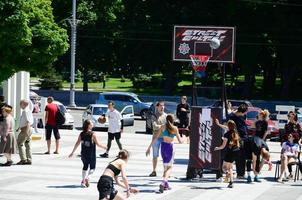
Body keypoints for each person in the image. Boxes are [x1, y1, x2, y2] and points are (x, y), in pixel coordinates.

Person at [146, 115, 183, 192]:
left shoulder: (162, 127)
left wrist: (149, 148)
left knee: (165, 167)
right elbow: (180, 141)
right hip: (170, 147)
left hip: (163, 147)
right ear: (173, 120)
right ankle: (163, 183)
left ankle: (166, 185)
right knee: (169, 168)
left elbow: (155, 137)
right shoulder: (175, 128)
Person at [69, 119, 107, 187]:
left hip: (83, 154)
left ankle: (83, 181)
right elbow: (98, 144)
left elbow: (77, 143)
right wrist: (104, 147)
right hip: (91, 154)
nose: (92, 124)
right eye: (91, 123)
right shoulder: (93, 134)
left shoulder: (81, 133)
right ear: (88, 125)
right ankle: (88, 178)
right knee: (92, 168)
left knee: (85, 166)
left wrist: (72, 152)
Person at [214, 120, 241, 188]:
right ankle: (231, 182)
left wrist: (217, 148)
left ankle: (228, 174)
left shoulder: (226, 135)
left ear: (228, 126)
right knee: (230, 167)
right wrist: (219, 124)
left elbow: (223, 146)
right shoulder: (235, 132)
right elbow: (225, 127)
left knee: (224, 168)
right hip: (236, 151)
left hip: (229, 152)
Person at [228, 103, 248, 178]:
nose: (245, 114)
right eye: (244, 112)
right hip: (236, 137)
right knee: (237, 155)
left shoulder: (243, 116)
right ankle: (231, 172)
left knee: (242, 156)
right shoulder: (231, 116)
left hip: (244, 137)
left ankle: (241, 174)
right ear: (241, 112)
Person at [148, 101, 167, 177]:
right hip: (156, 138)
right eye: (161, 106)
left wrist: (160, 126)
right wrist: (162, 126)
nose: (162, 107)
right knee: (155, 155)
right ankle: (154, 171)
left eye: (163, 106)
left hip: (164, 138)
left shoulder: (166, 116)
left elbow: (168, 127)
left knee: (164, 156)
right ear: (157, 107)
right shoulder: (154, 116)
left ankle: (165, 171)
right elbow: (154, 126)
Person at [16, 100, 34, 165]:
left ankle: (23, 159)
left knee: (19, 143)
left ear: (24, 104)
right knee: (27, 144)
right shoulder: (28, 110)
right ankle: (29, 159)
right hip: (28, 129)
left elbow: (28, 122)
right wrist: (19, 127)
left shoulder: (25, 111)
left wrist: (26, 131)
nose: (20, 105)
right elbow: (24, 121)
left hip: (26, 129)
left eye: (20, 104)